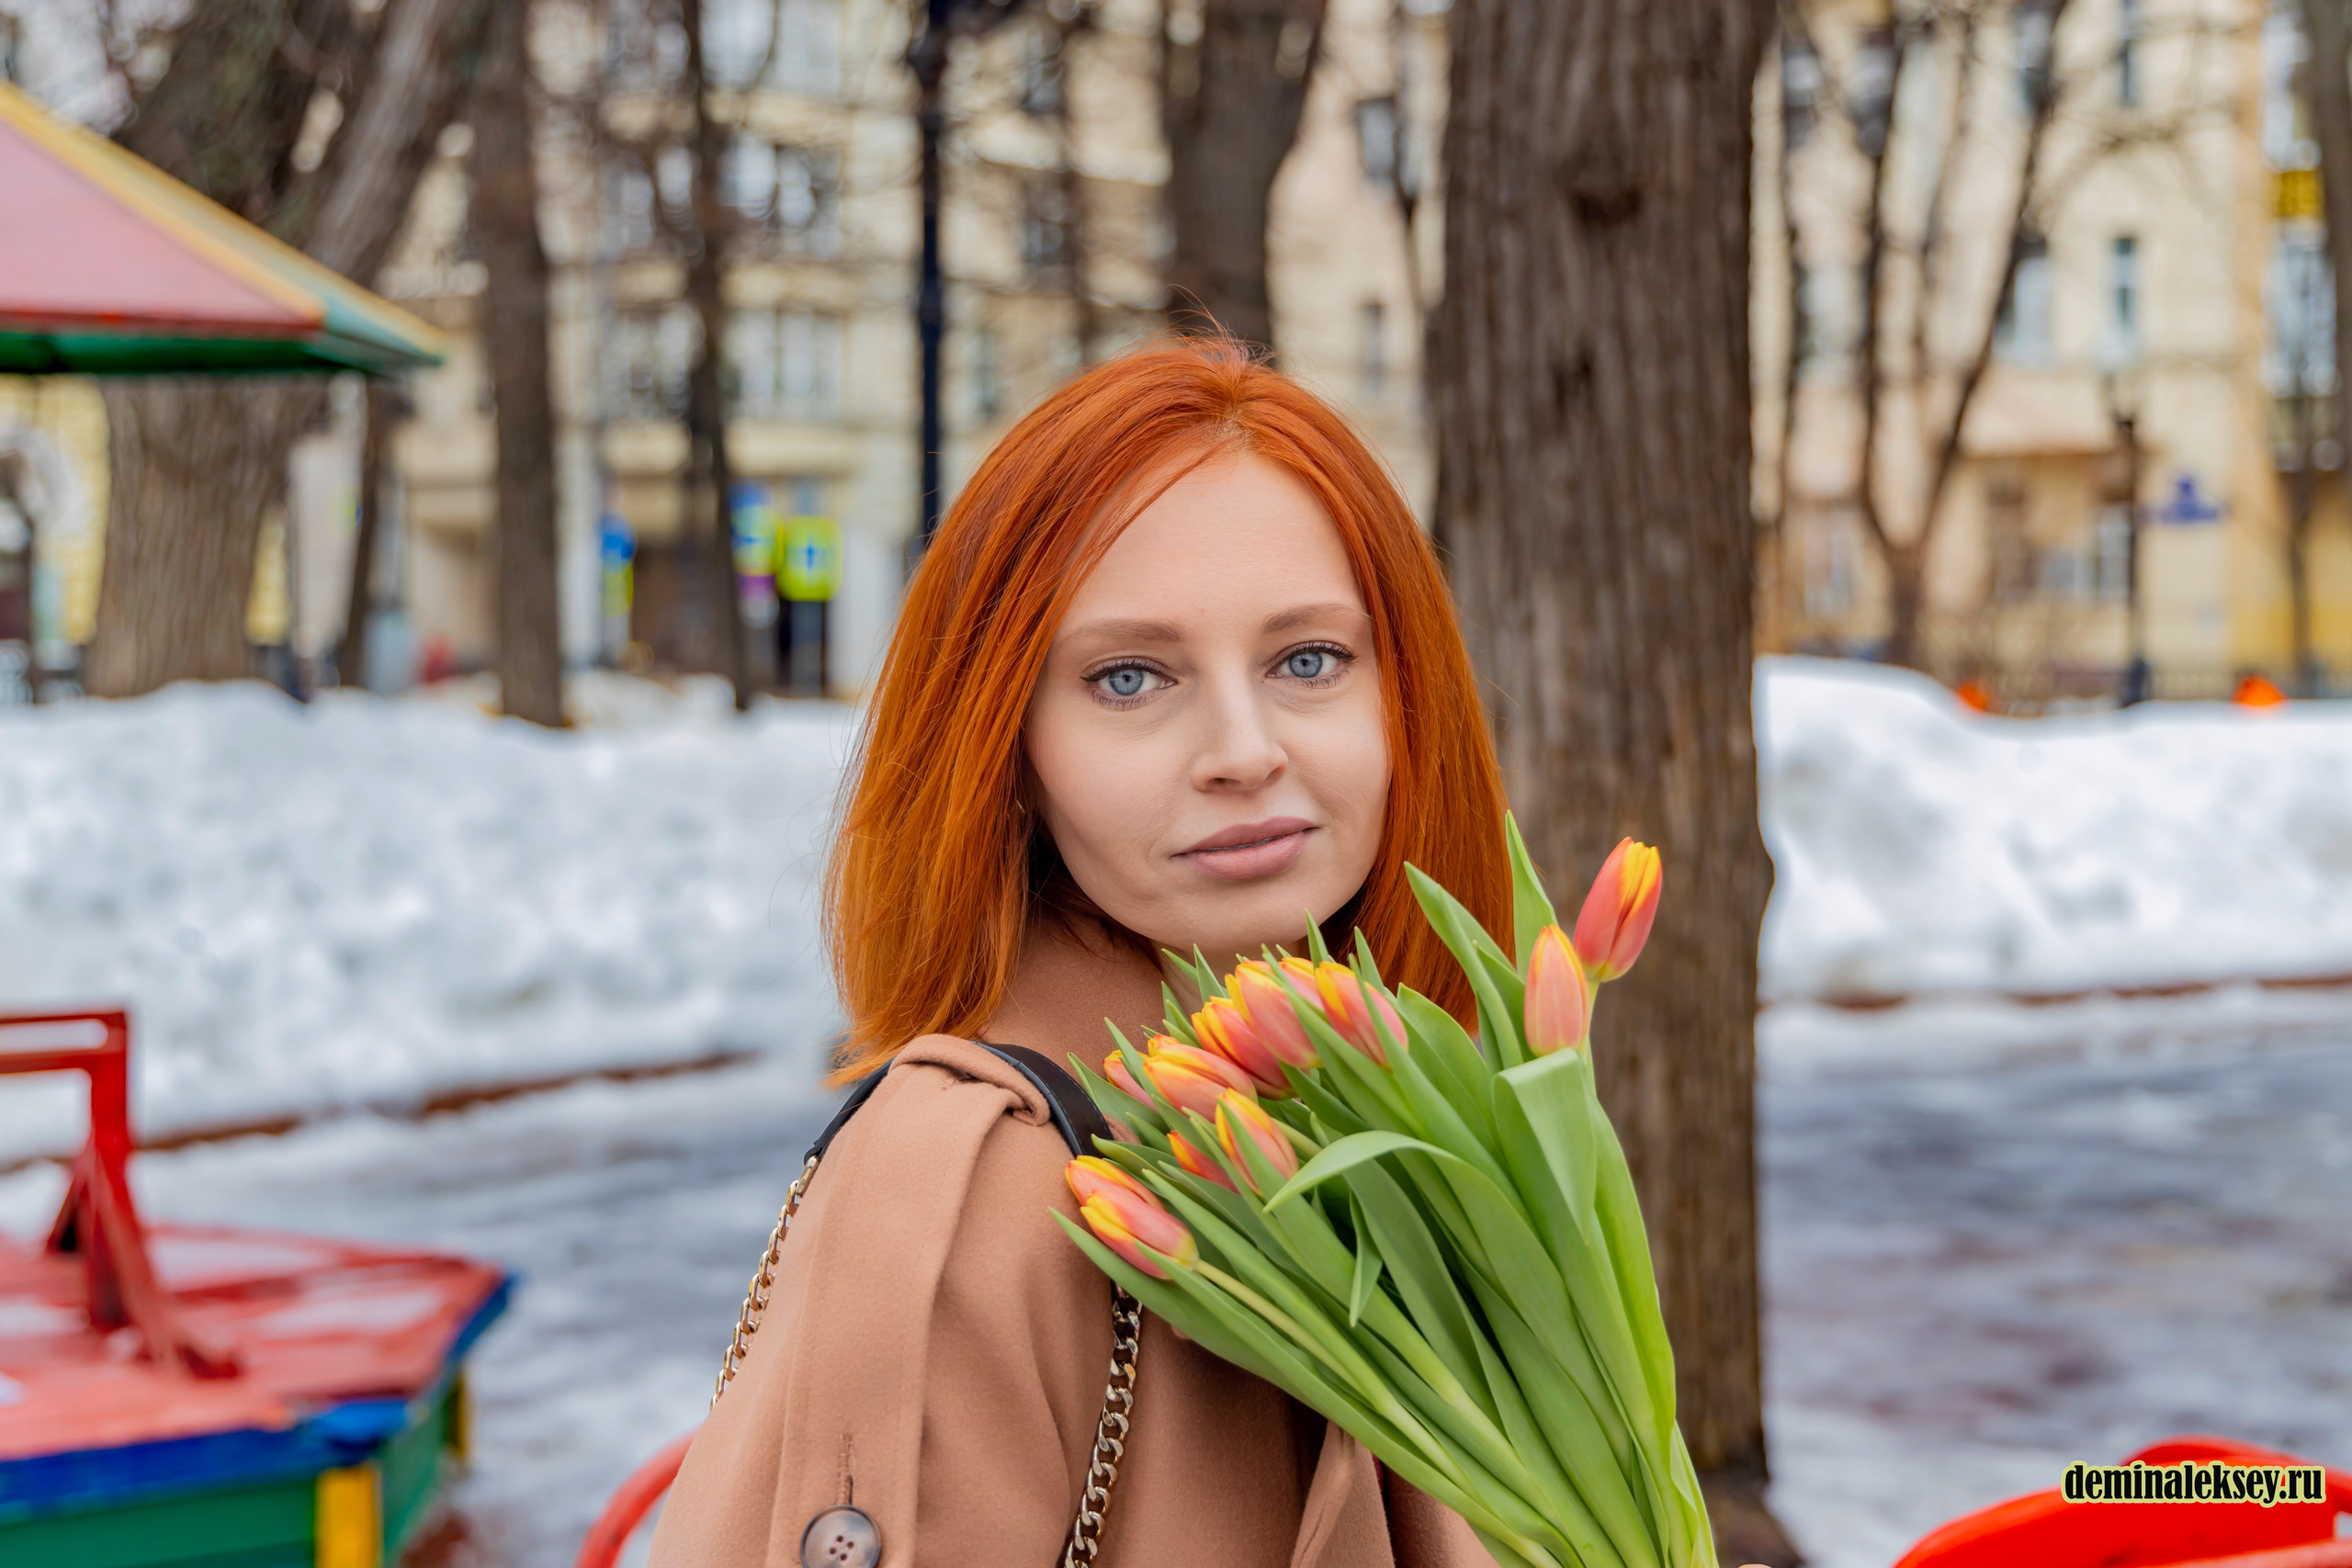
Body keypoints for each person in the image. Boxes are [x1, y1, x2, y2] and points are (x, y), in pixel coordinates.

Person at [650, 339, 1517, 1567]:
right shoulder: (971, 1195)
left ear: (1405, 695)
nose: (1241, 747)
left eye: (1308, 659)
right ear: (1010, 752)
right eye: (1128, 678)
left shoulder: (1383, 1137)